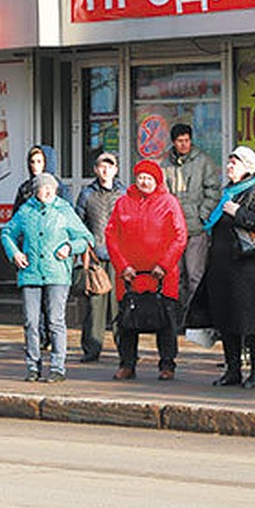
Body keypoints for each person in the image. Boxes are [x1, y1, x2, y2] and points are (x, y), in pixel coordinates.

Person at [1, 171, 94, 381]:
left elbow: (86, 239)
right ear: (36, 190)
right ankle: (33, 366)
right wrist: (15, 253)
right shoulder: (26, 211)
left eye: (51, 188)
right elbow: (7, 233)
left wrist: (69, 247)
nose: (48, 191)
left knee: (55, 321)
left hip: (57, 274)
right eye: (44, 188)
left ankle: (57, 368)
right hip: (30, 273)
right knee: (31, 322)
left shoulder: (64, 210)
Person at [106, 159, 187, 381]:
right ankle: (127, 364)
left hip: (161, 275)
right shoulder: (123, 203)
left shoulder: (169, 202)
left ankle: (167, 364)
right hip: (130, 276)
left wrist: (164, 265)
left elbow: (180, 236)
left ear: (157, 180)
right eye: (141, 177)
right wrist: (123, 266)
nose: (144, 181)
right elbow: (111, 235)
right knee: (127, 324)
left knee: (166, 323)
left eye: (149, 178)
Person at [205, 147, 255, 389]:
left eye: (233, 163)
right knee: (227, 318)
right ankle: (232, 369)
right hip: (224, 266)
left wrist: (239, 213)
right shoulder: (229, 192)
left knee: (252, 320)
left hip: (248, 268)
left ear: (247, 167)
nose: (228, 167)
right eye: (228, 163)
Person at [160, 123, 221, 326]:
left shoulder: (203, 161)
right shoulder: (165, 165)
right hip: (173, 231)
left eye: (187, 140)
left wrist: (203, 215)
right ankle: (178, 320)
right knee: (176, 277)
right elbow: (162, 195)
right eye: (180, 141)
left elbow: (213, 190)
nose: (184, 144)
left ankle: (196, 319)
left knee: (195, 275)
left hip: (196, 229)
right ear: (174, 142)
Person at [74, 152, 123, 363]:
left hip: (120, 256)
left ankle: (126, 351)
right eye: (102, 167)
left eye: (110, 166)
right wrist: (85, 245)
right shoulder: (87, 194)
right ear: (95, 169)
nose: (106, 170)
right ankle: (91, 349)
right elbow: (77, 222)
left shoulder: (123, 194)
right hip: (95, 256)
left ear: (116, 169)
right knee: (95, 306)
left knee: (120, 306)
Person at [11, 144, 59, 212]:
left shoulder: (58, 187)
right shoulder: (25, 188)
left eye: (39, 162)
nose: (35, 166)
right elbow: (17, 214)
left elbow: (67, 214)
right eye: (32, 162)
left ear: (46, 163)